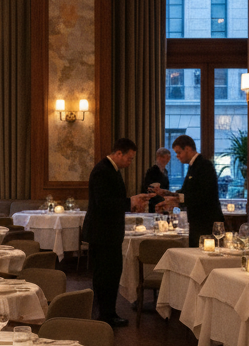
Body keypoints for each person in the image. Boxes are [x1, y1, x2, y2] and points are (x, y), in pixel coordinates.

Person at [82, 138, 150, 328]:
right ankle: (104, 316)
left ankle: (109, 313)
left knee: (112, 275)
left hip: (109, 233)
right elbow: (103, 203)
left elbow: (113, 200)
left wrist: (132, 204)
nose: (130, 162)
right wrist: (130, 202)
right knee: (105, 276)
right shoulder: (102, 171)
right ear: (119, 153)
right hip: (102, 234)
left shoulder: (112, 170)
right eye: (129, 158)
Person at [156, 135, 223, 250]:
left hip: (206, 222)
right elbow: (187, 191)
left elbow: (203, 195)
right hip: (197, 221)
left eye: (179, 152)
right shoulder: (193, 166)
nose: (177, 156)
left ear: (187, 149)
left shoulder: (204, 165)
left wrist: (176, 200)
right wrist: (168, 194)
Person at [140, 148, 171, 213]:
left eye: (169, 158)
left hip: (163, 201)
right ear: (158, 157)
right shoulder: (152, 171)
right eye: (165, 158)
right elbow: (147, 187)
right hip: (154, 202)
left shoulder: (165, 171)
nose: (167, 160)